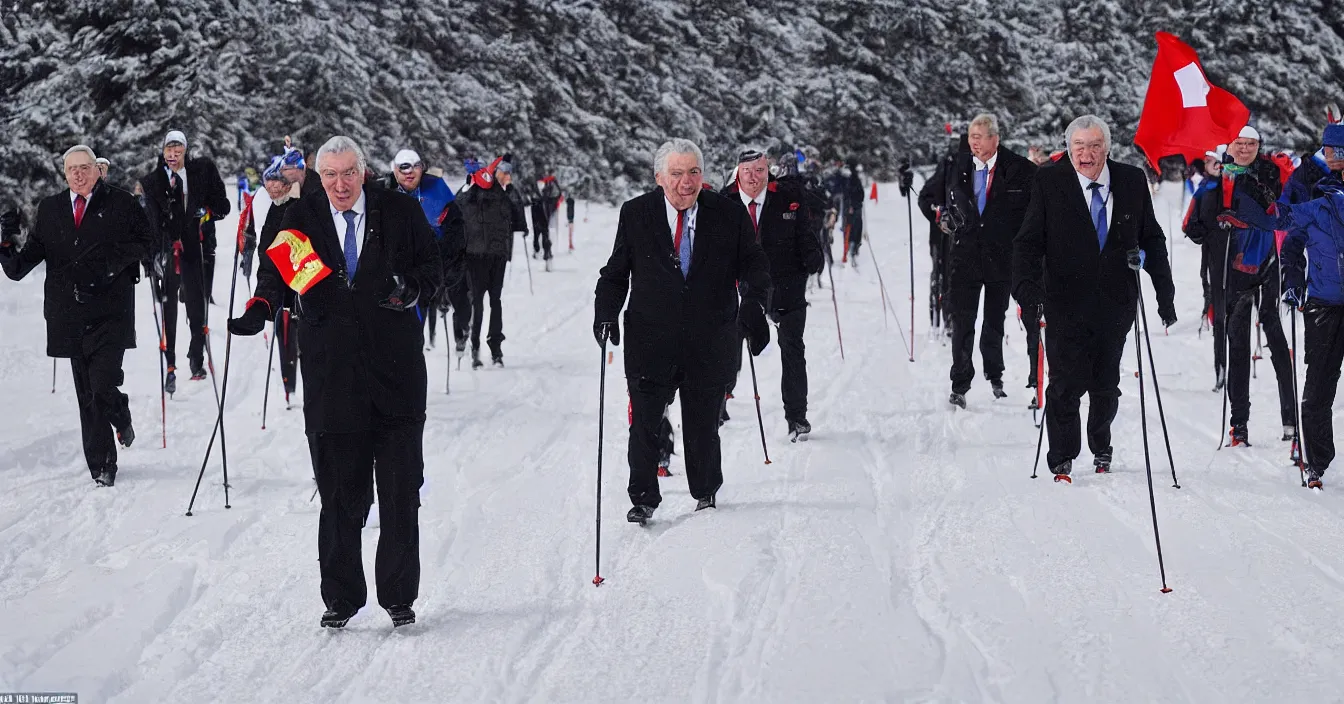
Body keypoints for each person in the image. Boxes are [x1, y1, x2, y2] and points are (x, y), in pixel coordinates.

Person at [227, 135, 441, 629]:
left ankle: (398, 595)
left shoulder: (399, 212)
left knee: (399, 490)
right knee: (340, 496)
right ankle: (341, 599)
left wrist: (411, 290)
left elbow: (434, 270)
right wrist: (261, 308)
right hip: (331, 377)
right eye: (330, 176)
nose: (340, 185)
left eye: (348, 173)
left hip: (396, 376)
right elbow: (275, 276)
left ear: (362, 171)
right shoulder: (299, 218)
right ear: (317, 177)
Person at [594, 138, 771, 524]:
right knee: (644, 422)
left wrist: (755, 303)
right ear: (660, 177)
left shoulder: (728, 214)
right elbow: (615, 272)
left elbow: (754, 265)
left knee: (703, 422)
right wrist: (605, 312)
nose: (686, 182)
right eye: (676, 173)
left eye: (693, 172)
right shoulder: (636, 213)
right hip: (650, 337)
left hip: (709, 337)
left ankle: (705, 490)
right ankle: (642, 497)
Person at [1012, 115, 1176, 479]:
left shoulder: (1132, 180)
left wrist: (1164, 292)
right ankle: (1062, 455)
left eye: (1094, 146)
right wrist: (1027, 292)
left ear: (1107, 147)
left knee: (1105, 384)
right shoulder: (1049, 181)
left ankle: (1101, 445)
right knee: (1065, 384)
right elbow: (1027, 243)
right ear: (1069, 148)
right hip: (1063, 300)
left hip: (1115, 301)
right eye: (1079, 146)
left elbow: (1151, 238)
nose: (1086, 154)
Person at [1, 145, 152, 486]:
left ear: (99, 169)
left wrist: (111, 265)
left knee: (101, 385)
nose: (79, 174)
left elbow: (146, 241)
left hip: (111, 311)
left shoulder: (121, 203)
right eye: (72, 170)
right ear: (64, 174)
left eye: (85, 167)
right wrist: (6, 242)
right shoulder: (51, 209)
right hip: (68, 313)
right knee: (89, 394)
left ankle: (116, 413)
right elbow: (20, 267)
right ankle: (101, 465)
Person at [1220, 122, 1344, 488]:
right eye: (1332, 150)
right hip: (1323, 301)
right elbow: (1283, 223)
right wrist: (1292, 277)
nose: (1336, 156)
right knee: (1319, 386)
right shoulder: (1311, 189)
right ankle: (1315, 460)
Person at [921, 114, 1037, 407]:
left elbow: (1035, 210)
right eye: (971, 136)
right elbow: (928, 197)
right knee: (962, 321)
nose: (973, 142)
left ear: (995, 138)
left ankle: (995, 375)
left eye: (980, 136)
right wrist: (940, 217)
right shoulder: (955, 166)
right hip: (964, 257)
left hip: (1001, 257)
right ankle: (959, 383)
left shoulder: (1019, 169)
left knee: (995, 320)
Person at [1191, 126, 1294, 445]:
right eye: (1240, 143)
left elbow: (1282, 213)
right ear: (1229, 146)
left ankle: (1290, 422)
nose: (1246, 148)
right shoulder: (1215, 182)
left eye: (1252, 143)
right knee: (1238, 346)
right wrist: (1217, 222)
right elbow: (1195, 229)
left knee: (1277, 341)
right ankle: (1240, 425)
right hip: (1233, 271)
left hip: (1268, 264)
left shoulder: (1270, 172)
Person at [722, 149, 824, 440]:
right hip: (741, 286)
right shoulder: (724, 201)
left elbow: (805, 232)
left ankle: (797, 417)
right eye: (747, 171)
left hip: (786, 282)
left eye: (760, 171)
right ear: (737, 173)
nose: (754, 178)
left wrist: (813, 255)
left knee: (792, 346)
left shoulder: (787, 196)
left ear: (769, 172)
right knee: (728, 342)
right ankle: (720, 400)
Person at [138, 129, 230, 390]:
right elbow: (150, 224)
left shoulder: (200, 173)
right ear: (163, 152)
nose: (173, 155)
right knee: (168, 306)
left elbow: (222, 205)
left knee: (196, 303)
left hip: (193, 244)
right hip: (167, 246)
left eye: (178, 150)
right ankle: (170, 364)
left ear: (186, 151)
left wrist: (207, 213)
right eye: (169, 150)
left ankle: (196, 357)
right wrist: (151, 257)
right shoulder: (153, 182)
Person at [381, 149, 467, 351]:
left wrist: (447, 270)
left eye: (415, 167)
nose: (410, 173)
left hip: (424, 278)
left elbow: (456, 237)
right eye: (404, 167)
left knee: (412, 338)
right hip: (389, 280)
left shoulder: (438, 194)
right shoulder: (383, 195)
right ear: (394, 170)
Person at [457, 154, 527, 368]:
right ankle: (475, 346)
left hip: (497, 255)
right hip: (475, 256)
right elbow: (457, 209)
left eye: (509, 173)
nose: (508, 177)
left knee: (495, 301)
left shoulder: (506, 195)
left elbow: (519, 221)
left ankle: (495, 347)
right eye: (505, 173)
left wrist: (512, 193)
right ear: (495, 173)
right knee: (477, 302)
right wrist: (467, 187)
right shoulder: (473, 190)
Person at [252, 157, 303, 399]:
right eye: (267, 182)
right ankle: (288, 385)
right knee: (285, 336)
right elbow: (265, 249)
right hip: (280, 284)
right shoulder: (272, 207)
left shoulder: (296, 204)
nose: (271, 187)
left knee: (297, 334)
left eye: (276, 182)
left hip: (300, 282)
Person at [1184, 146, 1228, 388]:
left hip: (1239, 263)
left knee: (1235, 317)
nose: (1212, 165)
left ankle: (1235, 364)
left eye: (1215, 161)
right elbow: (1190, 226)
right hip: (1213, 262)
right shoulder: (1204, 190)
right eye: (1209, 161)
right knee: (1219, 317)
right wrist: (1206, 232)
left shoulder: (1239, 188)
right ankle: (1220, 367)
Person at [918, 130, 966, 334]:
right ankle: (949, 318)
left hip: (974, 237)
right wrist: (939, 215)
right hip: (945, 237)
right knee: (947, 275)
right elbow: (926, 197)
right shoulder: (948, 166)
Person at [841, 161, 866, 264]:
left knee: (851, 226)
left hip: (853, 207)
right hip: (854, 206)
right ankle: (853, 245)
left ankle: (853, 245)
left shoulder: (849, 180)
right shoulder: (853, 180)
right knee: (854, 227)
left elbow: (849, 194)